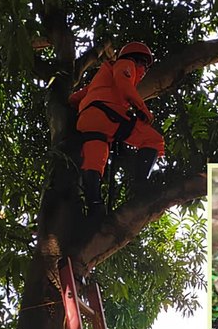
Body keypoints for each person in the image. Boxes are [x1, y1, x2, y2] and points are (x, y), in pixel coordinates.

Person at [68, 42, 165, 217]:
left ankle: (95, 206)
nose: (143, 71)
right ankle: (140, 186)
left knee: (94, 163)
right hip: (107, 114)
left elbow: (75, 98)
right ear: (137, 60)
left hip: (87, 121)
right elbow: (124, 85)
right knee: (154, 140)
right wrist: (143, 109)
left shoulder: (101, 77)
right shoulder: (124, 64)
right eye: (144, 65)